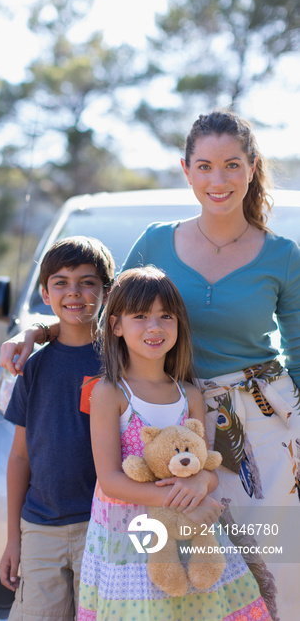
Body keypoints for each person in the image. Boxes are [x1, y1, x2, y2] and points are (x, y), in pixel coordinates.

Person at [0, 110, 300, 620]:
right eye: (204, 166)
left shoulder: (284, 255)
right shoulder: (156, 242)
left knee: (278, 557)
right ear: (186, 171)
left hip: (262, 426)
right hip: (167, 421)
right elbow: (108, 316)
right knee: (177, 569)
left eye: (231, 165)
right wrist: (40, 331)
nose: (218, 179)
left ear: (252, 167)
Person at [77, 266, 271, 620]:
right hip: (131, 532)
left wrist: (201, 484)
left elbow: (207, 466)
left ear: (179, 324)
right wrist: (182, 500)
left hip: (192, 526)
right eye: (141, 316)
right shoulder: (110, 392)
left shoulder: (190, 394)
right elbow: (110, 479)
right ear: (116, 326)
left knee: (195, 605)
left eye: (166, 316)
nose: (155, 327)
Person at [0, 235, 115, 620]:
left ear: (107, 290)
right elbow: (19, 457)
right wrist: (14, 537)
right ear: (45, 294)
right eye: (61, 282)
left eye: (87, 282)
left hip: (103, 528)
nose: (75, 292)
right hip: (40, 529)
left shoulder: (120, 362)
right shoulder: (33, 365)